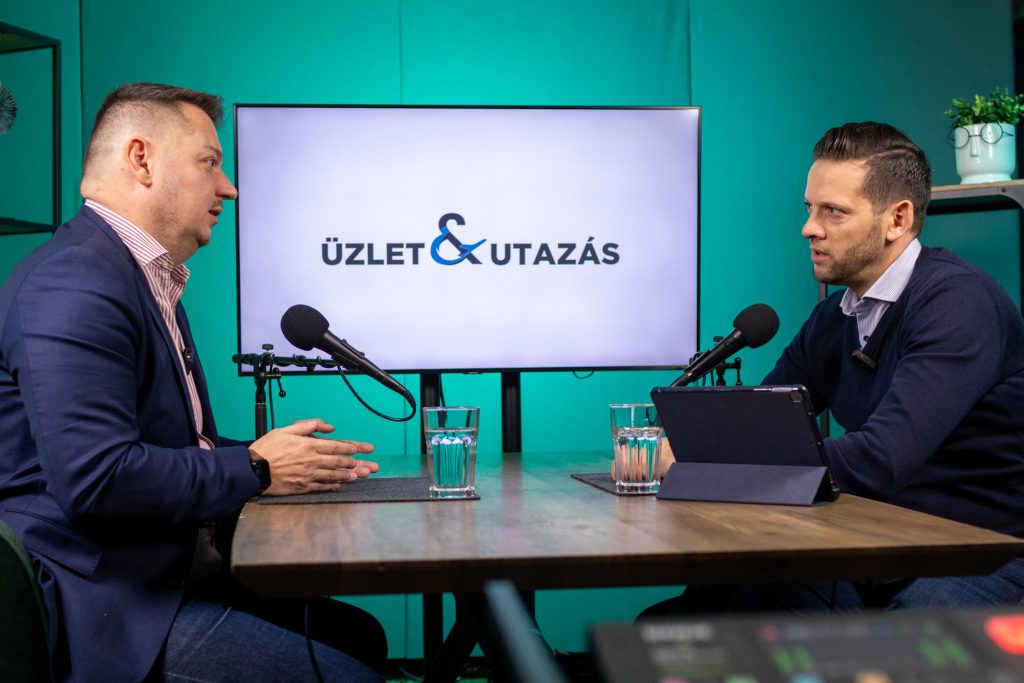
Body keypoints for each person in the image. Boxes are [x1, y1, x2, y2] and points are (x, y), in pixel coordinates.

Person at [0, 83, 388, 682]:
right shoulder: (73, 282)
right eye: (209, 162)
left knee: (360, 638)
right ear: (141, 159)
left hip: (160, 574)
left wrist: (291, 461)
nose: (228, 187)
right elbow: (98, 479)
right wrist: (258, 468)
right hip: (109, 605)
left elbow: (174, 447)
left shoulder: (138, 273)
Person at [646, 121, 1024, 616]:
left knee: (902, 647)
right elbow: (760, 427)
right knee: (689, 625)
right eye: (810, 208)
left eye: (833, 211)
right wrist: (694, 446)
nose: (809, 228)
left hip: (977, 553)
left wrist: (714, 461)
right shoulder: (833, 317)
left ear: (897, 219)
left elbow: (881, 459)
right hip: (872, 546)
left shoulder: (958, 305)